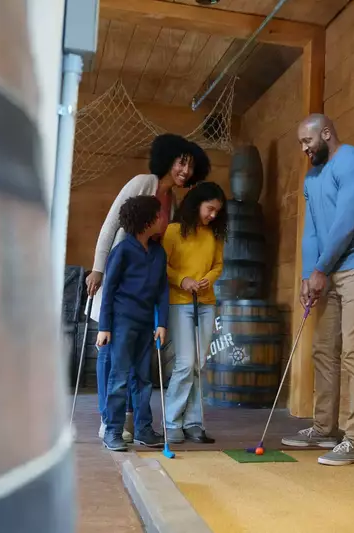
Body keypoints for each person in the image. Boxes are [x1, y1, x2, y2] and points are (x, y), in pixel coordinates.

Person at [281, 114, 354, 466]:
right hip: (330, 269)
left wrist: (320, 270)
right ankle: (324, 427)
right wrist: (307, 274)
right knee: (324, 348)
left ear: (326, 134)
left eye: (307, 141)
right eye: (301, 143)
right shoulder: (312, 176)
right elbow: (313, 229)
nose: (304, 149)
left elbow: (346, 222)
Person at [87, 133, 210, 444]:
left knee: (138, 370)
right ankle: (108, 421)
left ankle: (133, 423)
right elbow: (110, 224)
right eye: (181, 162)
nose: (185, 170)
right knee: (110, 356)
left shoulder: (174, 201)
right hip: (122, 277)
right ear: (168, 159)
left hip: (145, 284)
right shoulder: (144, 183)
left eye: (191, 166)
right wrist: (99, 268)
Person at [95, 195, 169, 451]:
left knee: (144, 379)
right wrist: (105, 327)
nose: (163, 219)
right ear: (146, 221)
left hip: (146, 322)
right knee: (119, 378)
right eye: (159, 215)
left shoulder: (159, 252)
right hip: (122, 322)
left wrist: (163, 323)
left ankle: (144, 429)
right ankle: (113, 430)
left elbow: (162, 290)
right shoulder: (123, 251)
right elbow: (109, 289)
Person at [161, 182, 228, 444]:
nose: (213, 215)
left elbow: (218, 265)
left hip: (206, 303)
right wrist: (183, 280)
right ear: (196, 204)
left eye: (217, 212)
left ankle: (194, 423)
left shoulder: (214, 235)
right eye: (209, 209)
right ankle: (172, 421)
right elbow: (163, 265)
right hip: (180, 303)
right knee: (185, 363)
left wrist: (208, 280)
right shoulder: (173, 231)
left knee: (199, 364)